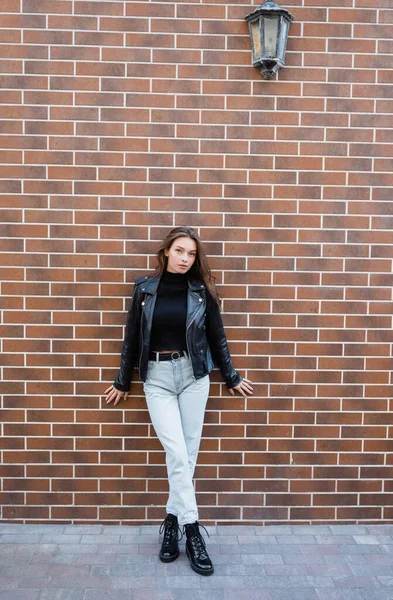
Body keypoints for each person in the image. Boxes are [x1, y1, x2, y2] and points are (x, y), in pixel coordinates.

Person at [104, 226, 253, 576]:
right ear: (166, 252)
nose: (185, 259)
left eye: (191, 254)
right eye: (179, 251)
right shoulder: (144, 290)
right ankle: (192, 530)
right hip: (155, 377)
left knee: (187, 453)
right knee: (177, 453)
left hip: (193, 377)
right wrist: (123, 380)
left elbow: (217, 336)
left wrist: (231, 376)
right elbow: (131, 338)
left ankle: (171, 524)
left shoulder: (202, 291)